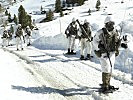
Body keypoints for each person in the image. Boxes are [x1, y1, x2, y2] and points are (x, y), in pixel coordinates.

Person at [93, 16, 122, 93]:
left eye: (112, 23)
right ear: (106, 24)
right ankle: (105, 85)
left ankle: (108, 83)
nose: (111, 25)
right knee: (106, 68)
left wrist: (122, 44)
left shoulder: (115, 31)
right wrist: (99, 47)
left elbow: (117, 41)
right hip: (104, 53)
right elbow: (94, 41)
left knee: (111, 68)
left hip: (112, 53)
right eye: (109, 24)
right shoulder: (100, 32)